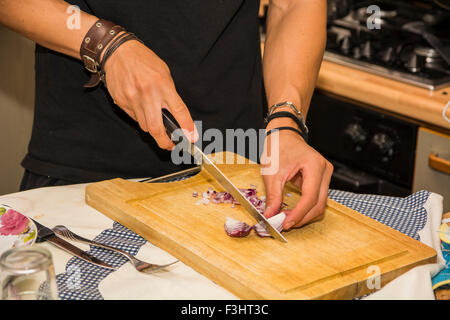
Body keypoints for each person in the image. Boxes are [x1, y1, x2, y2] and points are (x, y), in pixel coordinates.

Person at [0, 0, 333, 230]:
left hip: (236, 167)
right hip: (85, 170)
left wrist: (286, 119)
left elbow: (294, 5)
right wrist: (105, 44)